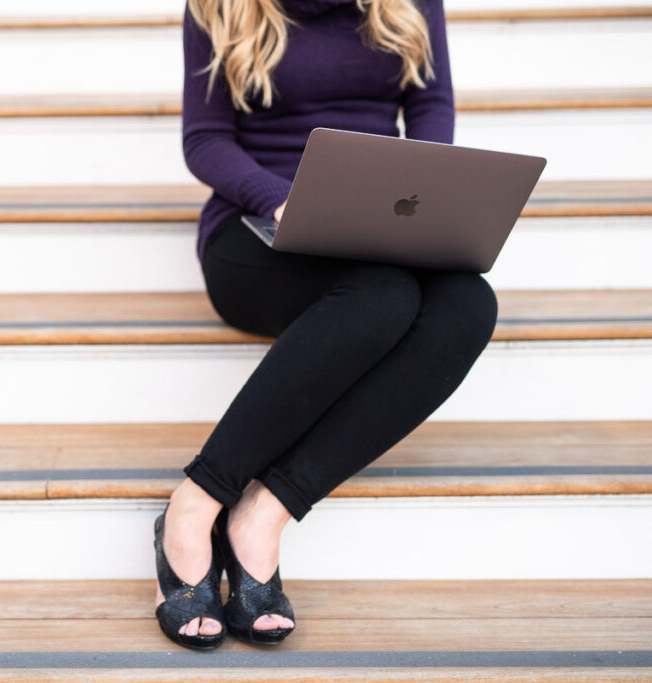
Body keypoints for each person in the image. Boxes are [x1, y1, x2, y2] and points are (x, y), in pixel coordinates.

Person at [153, 0, 499, 650]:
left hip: (374, 224)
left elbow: (430, 106)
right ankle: (197, 501)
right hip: (255, 226)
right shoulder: (217, 6)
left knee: (468, 304)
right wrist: (278, 198)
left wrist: (420, 202)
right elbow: (205, 140)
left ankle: (264, 512)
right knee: (381, 296)